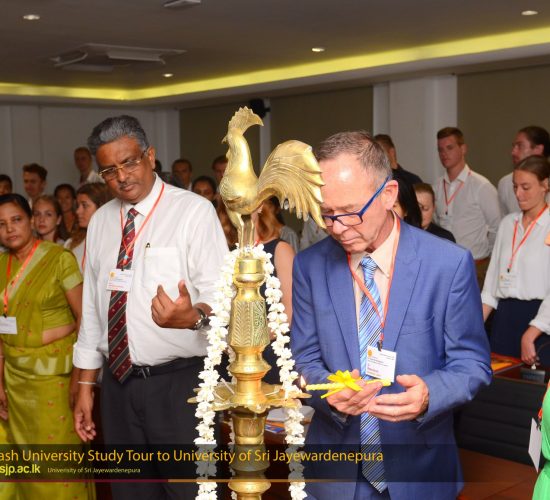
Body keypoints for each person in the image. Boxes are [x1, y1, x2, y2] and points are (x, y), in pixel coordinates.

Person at [291, 131, 491, 500]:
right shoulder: (310, 266)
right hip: (336, 471)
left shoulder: (447, 264)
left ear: (388, 194)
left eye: (350, 212)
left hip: (420, 467)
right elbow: (304, 358)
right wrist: (328, 392)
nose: (337, 227)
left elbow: (472, 364)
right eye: (326, 213)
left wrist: (429, 394)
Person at [72, 115, 227, 500]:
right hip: (118, 386)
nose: (122, 177)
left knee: (192, 492)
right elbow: (92, 310)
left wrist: (193, 317)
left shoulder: (192, 211)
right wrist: (86, 385)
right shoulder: (101, 222)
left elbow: (222, 295)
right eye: (109, 170)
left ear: (150, 156)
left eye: (129, 162)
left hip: (181, 385)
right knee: (130, 492)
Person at [0, 193, 93, 500]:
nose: (9, 229)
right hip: (14, 378)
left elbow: (83, 317)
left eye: (16, 220)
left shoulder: (58, 259)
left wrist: (80, 379)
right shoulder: (0, 264)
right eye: (1, 224)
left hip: (54, 377)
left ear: (31, 220)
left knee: (55, 463)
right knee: (20, 463)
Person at [482, 155, 550, 365]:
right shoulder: (507, 224)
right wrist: (472, 327)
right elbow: (490, 287)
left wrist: (531, 333)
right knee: (498, 382)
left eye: (526, 187)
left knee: (533, 385)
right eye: (515, 187)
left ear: (545, 185)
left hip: (540, 323)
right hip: (504, 319)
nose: (518, 194)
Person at [433, 127, 501, 288]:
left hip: (475, 265)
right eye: (440, 150)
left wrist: (487, 258)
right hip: (446, 266)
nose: (444, 154)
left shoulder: (481, 186)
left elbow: (497, 227)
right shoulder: (436, 186)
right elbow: (436, 223)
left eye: (449, 148)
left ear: (463, 149)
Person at [498, 126, 550, 215]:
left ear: (538, 150)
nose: (513, 152)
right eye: (515, 187)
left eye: (520, 146)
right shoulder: (505, 183)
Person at [65, 183, 112, 273]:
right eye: (78, 206)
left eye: (84, 205)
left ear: (102, 207)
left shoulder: (115, 243)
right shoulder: (71, 243)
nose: (78, 211)